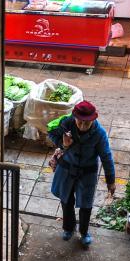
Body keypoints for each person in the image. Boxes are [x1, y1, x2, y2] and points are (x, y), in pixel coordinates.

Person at [47, 100, 115, 247]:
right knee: (66, 200)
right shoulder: (65, 124)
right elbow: (50, 133)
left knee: (86, 204)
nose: (83, 126)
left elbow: (106, 156)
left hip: (87, 173)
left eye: (87, 123)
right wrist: (63, 144)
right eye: (80, 122)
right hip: (66, 169)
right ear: (75, 117)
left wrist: (111, 180)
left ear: (93, 119)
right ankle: (68, 228)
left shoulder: (99, 133)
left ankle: (84, 232)